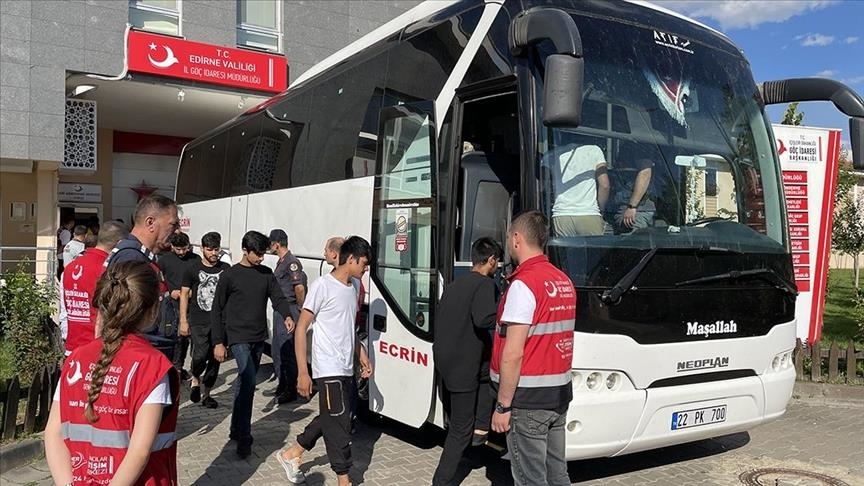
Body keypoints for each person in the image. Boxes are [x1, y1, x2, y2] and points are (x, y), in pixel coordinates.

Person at [45, 261, 180, 486]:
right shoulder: (153, 366)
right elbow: (139, 452)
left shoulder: (75, 359)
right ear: (153, 311)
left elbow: (53, 434)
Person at [276, 236, 373, 486]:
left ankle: (292, 453)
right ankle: (344, 479)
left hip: (345, 367)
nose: (366, 269)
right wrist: (303, 372)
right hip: (327, 367)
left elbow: (348, 327)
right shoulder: (323, 286)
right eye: (364, 263)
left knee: (332, 416)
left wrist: (361, 354)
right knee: (340, 425)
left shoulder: (353, 287)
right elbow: (301, 328)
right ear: (351, 259)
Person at [490, 210, 575, 486]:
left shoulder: (524, 285)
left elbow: (513, 353)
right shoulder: (563, 280)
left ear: (517, 239)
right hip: (558, 395)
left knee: (530, 480)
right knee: (557, 474)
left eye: (508, 238)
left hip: (528, 402)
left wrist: (503, 406)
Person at [211, 230, 295, 458]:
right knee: (249, 380)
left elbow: (278, 298)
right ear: (245, 250)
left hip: (258, 338)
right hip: (237, 338)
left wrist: (287, 315)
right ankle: (244, 436)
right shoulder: (229, 276)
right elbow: (217, 309)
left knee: (244, 383)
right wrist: (218, 341)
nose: (261, 257)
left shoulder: (266, 274)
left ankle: (235, 428)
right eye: (257, 253)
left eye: (263, 253)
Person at [432, 237, 502, 486]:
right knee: (461, 429)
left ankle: (476, 447)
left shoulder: (455, 284)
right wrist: (506, 313)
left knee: (486, 384)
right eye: (497, 261)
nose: (497, 266)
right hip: (463, 367)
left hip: (447, 362)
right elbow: (483, 319)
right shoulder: (485, 285)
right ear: (491, 260)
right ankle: (441, 481)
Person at [61, 221, 129, 355]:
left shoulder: (70, 268)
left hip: (72, 347)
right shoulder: (108, 269)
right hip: (97, 348)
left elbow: (64, 308)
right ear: (120, 243)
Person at [180, 231, 229, 408]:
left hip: (220, 322)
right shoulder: (192, 269)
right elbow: (184, 294)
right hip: (198, 319)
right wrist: (183, 320)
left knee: (216, 359)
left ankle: (207, 394)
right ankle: (195, 377)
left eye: (216, 249)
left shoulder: (226, 269)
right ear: (202, 249)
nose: (214, 253)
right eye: (210, 249)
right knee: (200, 355)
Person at [267, 229, 307, 404]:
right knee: (278, 349)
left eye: (271, 243)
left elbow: (299, 288)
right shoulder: (281, 261)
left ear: (277, 244)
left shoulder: (291, 262)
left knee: (287, 351)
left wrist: (299, 307)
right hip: (281, 310)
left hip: (289, 310)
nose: (269, 247)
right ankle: (282, 384)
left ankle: (290, 388)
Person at [158, 232, 199, 379]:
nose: (181, 252)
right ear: (172, 247)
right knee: (173, 338)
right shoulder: (164, 260)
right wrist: (170, 292)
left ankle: (183, 368)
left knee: (186, 339)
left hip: (191, 305)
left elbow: (200, 280)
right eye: (178, 249)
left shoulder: (196, 259)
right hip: (172, 305)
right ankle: (173, 368)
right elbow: (159, 282)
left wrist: (192, 292)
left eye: (184, 248)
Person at [549, 143, 610, 236]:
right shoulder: (594, 150)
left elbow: (544, 184)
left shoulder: (553, 154)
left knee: (564, 246)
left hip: (562, 214)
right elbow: (604, 185)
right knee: (594, 245)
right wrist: (601, 209)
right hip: (589, 212)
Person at [608, 156, 654, 233]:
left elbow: (645, 172)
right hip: (615, 209)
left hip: (636, 210)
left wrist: (632, 206)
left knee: (632, 238)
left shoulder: (639, 149)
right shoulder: (626, 150)